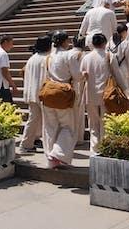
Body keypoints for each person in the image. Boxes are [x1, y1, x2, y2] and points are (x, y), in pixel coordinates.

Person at [43, 35, 82, 168]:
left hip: (49, 91)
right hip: (63, 93)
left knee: (50, 127)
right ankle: (58, 153)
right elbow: (77, 76)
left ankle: (50, 159)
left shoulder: (49, 56)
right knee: (68, 126)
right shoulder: (69, 55)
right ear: (65, 42)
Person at [80, 34, 122, 154]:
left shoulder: (86, 57)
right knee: (105, 122)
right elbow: (118, 74)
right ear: (104, 43)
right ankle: (105, 148)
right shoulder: (109, 55)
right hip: (107, 94)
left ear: (93, 44)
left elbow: (82, 75)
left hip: (90, 93)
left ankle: (95, 150)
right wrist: (125, 89)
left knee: (93, 125)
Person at [18, 36, 51, 153]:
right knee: (48, 121)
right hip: (44, 93)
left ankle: (26, 143)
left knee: (33, 119)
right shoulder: (48, 58)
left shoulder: (32, 58)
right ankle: (48, 147)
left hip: (32, 92)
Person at [0, 35, 17, 103]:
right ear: (5, 42)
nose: (12, 46)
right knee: (7, 107)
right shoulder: (3, 54)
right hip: (1, 85)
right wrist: (13, 84)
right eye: (11, 43)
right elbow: (4, 71)